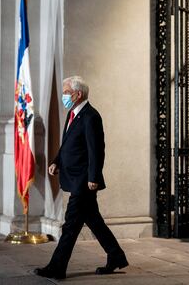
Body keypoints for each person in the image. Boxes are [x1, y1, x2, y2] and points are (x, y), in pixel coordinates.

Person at [34, 76, 128, 279]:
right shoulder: (73, 113)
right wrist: (57, 161)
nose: (64, 96)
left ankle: (57, 267)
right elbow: (67, 143)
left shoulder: (91, 116)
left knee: (70, 225)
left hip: (83, 181)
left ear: (78, 94)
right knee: (93, 220)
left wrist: (93, 177)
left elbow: (97, 151)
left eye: (66, 92)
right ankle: (116, 256)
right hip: (74, 177)